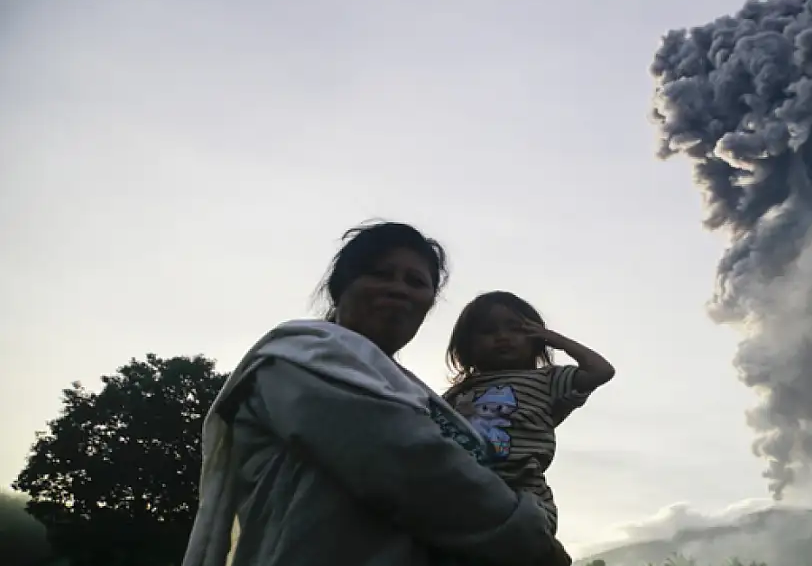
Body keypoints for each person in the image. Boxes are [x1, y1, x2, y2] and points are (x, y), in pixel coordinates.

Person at [182, 221, 570, 566]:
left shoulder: (414, 393)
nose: (398, 289)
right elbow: (415, 468)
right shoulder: (300, 359)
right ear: (341, 286)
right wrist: (532, 540)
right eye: (380, 274)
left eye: (416, 282)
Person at [443, 291, 616, 536]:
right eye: (488, 331)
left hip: (522, 492)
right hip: (464, 490)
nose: (503, 337)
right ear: (466, 345)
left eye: (516, 329)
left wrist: (556, 340)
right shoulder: (456, 394)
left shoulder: (547, 380)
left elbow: (601, 371)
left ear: (535, 338)